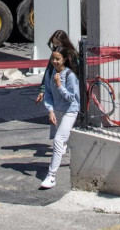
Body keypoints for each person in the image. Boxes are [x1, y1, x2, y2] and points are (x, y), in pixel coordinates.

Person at [39, 46, 80, 189]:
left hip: (70, 110)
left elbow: (71, 97)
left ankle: (51, 176)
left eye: (58, 59)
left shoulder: (70, 76)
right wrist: (50, 111)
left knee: (58, 140)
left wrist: (60, 86)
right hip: (57, 110)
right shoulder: (51, 73)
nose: (54, 61)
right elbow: (48, 94)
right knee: (65, 139)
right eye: (52, 58)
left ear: (65, 59)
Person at [35, 30, 78, 104]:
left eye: (58, 43)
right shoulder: (55, 54)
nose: (55, 45)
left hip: (69, 91)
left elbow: (77, 75)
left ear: (64, 42)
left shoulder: (72, 55)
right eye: (54, 43)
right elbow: (48, 72)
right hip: (56, 92)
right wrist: (42, 90)